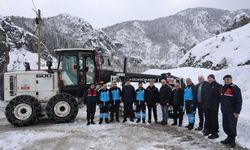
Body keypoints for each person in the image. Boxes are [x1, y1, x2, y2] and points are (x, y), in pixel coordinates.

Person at [220, 75, 242, 148]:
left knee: (232, 127)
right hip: (224, 111)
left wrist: (237, 111)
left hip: (232, 112)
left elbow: (239, 101)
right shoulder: (223, 88)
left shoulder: (235, 88)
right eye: (225, 80)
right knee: (225, 126)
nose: (226, 81)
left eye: (228, 79)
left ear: (231, 80)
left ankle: (232, 140)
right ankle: (229, 137)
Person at [204, 74, 221, 139]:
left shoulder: (217, 85)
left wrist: (215, 106)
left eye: (210, 78)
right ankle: (209, 130)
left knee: (214, 120)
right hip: (207, 106)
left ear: (213, 78)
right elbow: (206, 96)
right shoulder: (208, 85)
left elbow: (217, 97)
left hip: (214, 106)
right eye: (208, 78)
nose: (209, 79)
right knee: (208, 119)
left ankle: (215, 133)